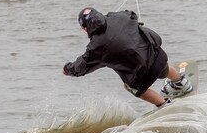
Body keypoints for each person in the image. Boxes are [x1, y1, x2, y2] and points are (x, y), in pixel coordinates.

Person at [63, 7, 193, 107]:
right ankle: (181, 83)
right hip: (158, 57)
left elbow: (80, 67)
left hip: (141, 76)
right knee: (159, 63)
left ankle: (164, 104)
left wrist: (67, 69)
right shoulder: (118, 16)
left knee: (132, 87)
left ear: (85, 29)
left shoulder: (95, 48)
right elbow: (132, 15)